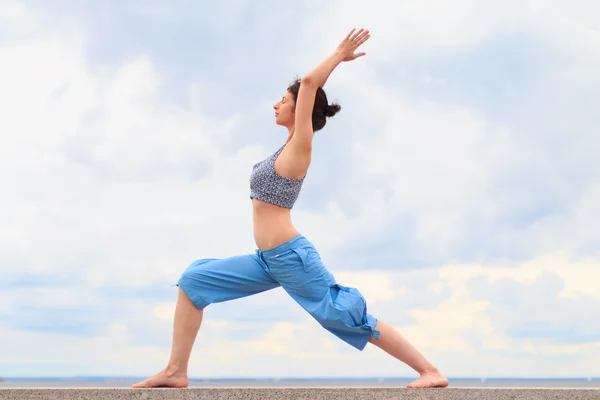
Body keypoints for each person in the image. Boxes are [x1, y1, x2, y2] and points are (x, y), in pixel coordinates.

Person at [132, 28, 448, 390]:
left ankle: (430, 372)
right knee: (193, 281)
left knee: (350, 317)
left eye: (283, 99)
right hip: (265, 261)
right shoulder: (282, 149)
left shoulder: (301, 145)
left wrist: (338, 54)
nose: (275, 104)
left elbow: (311, 82)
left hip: (291, 258)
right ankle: (175, 371)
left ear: (299, 108)